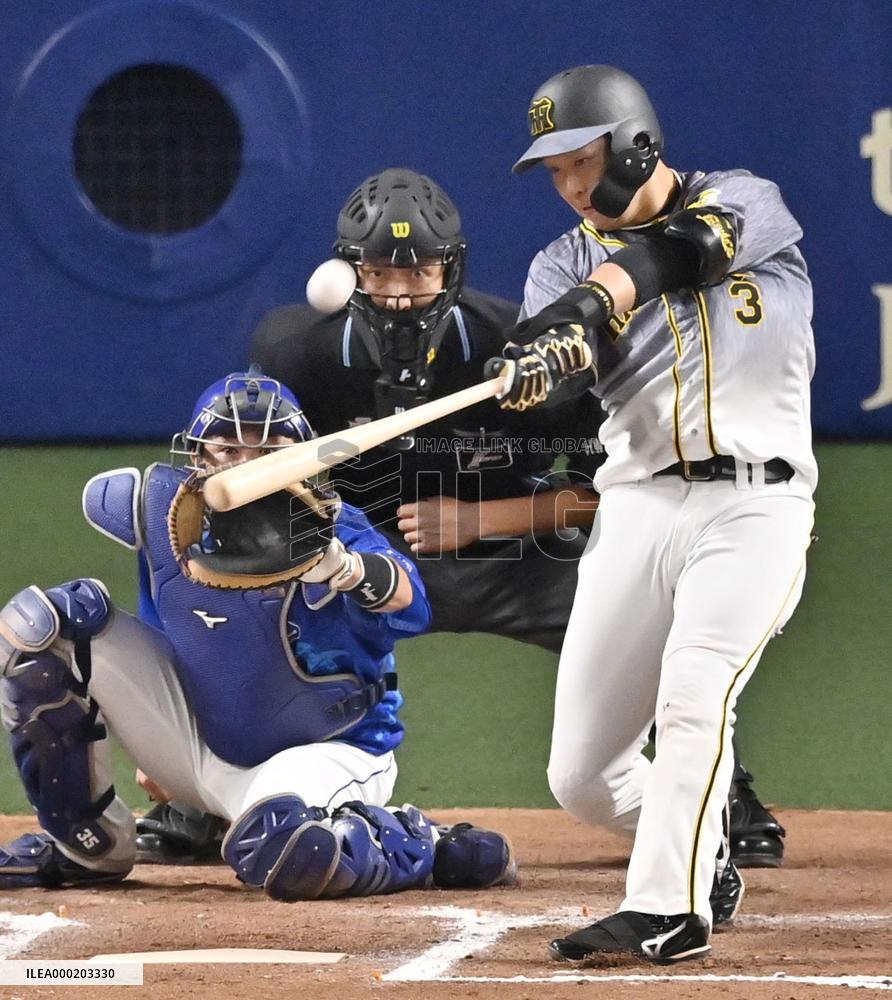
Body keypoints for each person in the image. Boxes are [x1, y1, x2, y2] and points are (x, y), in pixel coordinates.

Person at [137, 167, 785, 875]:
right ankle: (199, 796)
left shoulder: (520, 348)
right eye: (381, 272)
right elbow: (248, 489)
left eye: (420, 272)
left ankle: (726, 796)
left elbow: (620, 489)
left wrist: (481, 519)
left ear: (453, 269)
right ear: (347, 272)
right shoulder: (299, 351)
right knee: (247, 584)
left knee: (636, 595)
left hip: (513, 552)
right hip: (358, 558)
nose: (399, 290)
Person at [487, 64, 815, 963]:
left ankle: (669, 907)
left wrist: (598, 301)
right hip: (636, 510)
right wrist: (536, 363)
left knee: (694, 689)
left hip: (756, 506)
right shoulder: (560, 260)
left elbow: (679, 255)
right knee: (581, 775)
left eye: (580, 161)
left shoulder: (747, 201)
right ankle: (699, 853)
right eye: (553, 172)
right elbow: (548, 347)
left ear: (635, 144)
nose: (570, 187)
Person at [0, 370, 515, 899]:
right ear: (199, 455)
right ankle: (85, 845)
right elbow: (169, 628)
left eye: (268, 448)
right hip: (200, 743)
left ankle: (423, 842)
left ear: (301, 458)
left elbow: (414, 605)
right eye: (227, 447)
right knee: (41, 626)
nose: (245, 465)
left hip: (326, 750)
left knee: (285, 850)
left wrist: (345, 569)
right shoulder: (164, 515)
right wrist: (150, 728)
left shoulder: (336, 529)